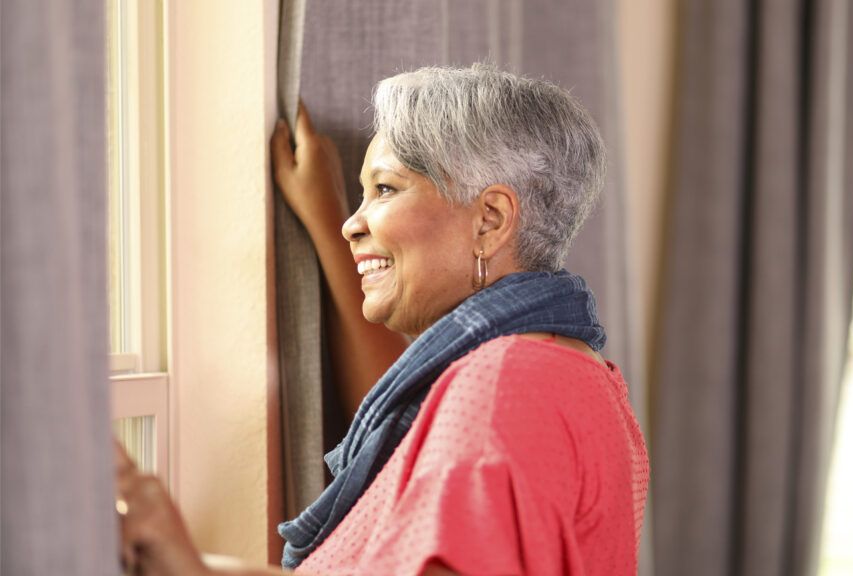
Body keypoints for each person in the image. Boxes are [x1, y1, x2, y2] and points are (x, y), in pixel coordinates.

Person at [115, 63, 649, 575]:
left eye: (385, 189)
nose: (353, 223)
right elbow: (407, 437)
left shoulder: (507, 385)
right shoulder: (565, 372)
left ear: (489, 220)